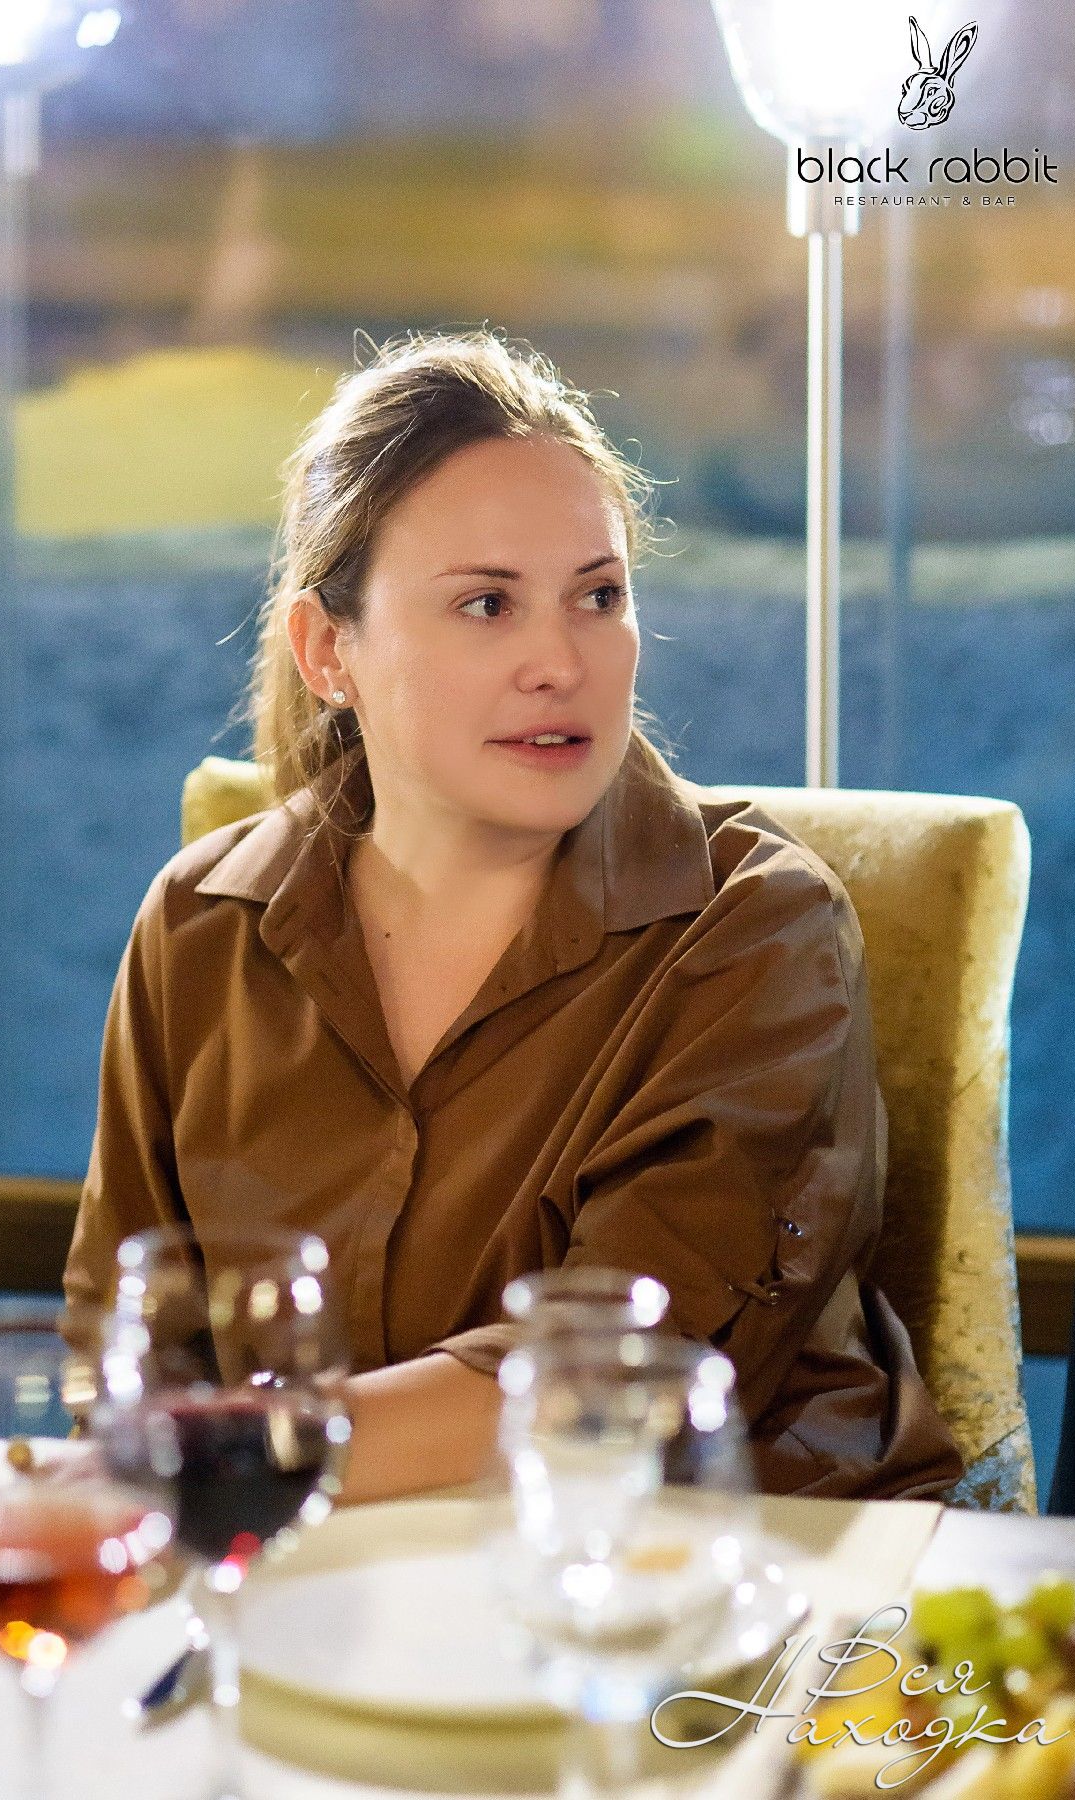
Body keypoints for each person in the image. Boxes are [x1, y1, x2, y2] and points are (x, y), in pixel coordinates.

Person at [64, 327, 964, 1506]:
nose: (559, 660)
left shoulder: (758, 931)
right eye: (487, 604)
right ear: (328, 650)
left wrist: (204, 1461)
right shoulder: (201, 924)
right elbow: (125, 1351)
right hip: (309, 1573)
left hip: (714, 1579)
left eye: (598, 596)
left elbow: (618, 1383)